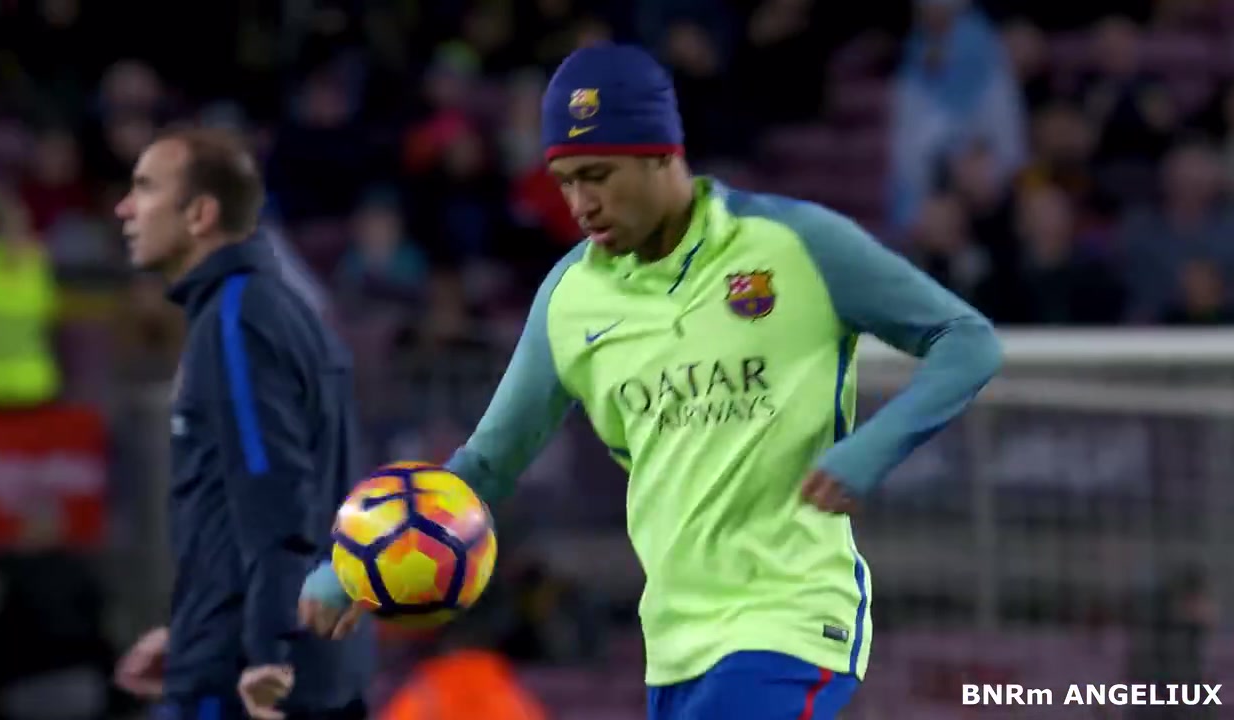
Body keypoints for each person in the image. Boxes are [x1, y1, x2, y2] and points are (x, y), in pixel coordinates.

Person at [301, 44, 1003, 719]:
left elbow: (966, 341)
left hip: (790, 617)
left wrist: (870, 450)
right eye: (565, 180)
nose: (580, 203)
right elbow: (486, 465)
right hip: (672, 644)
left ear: (663, 154)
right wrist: (355, 568)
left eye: (598, 175)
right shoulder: (570, 298)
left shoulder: (796, 243)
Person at [111, 126, 374, 720]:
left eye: (146, 188)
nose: (125, 208)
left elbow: (277, 500)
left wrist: (265, 651)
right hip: (295, 661)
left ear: (200, 214)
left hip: (248, 682)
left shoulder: (237, 321)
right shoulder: (274, 310)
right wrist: (189, 631)